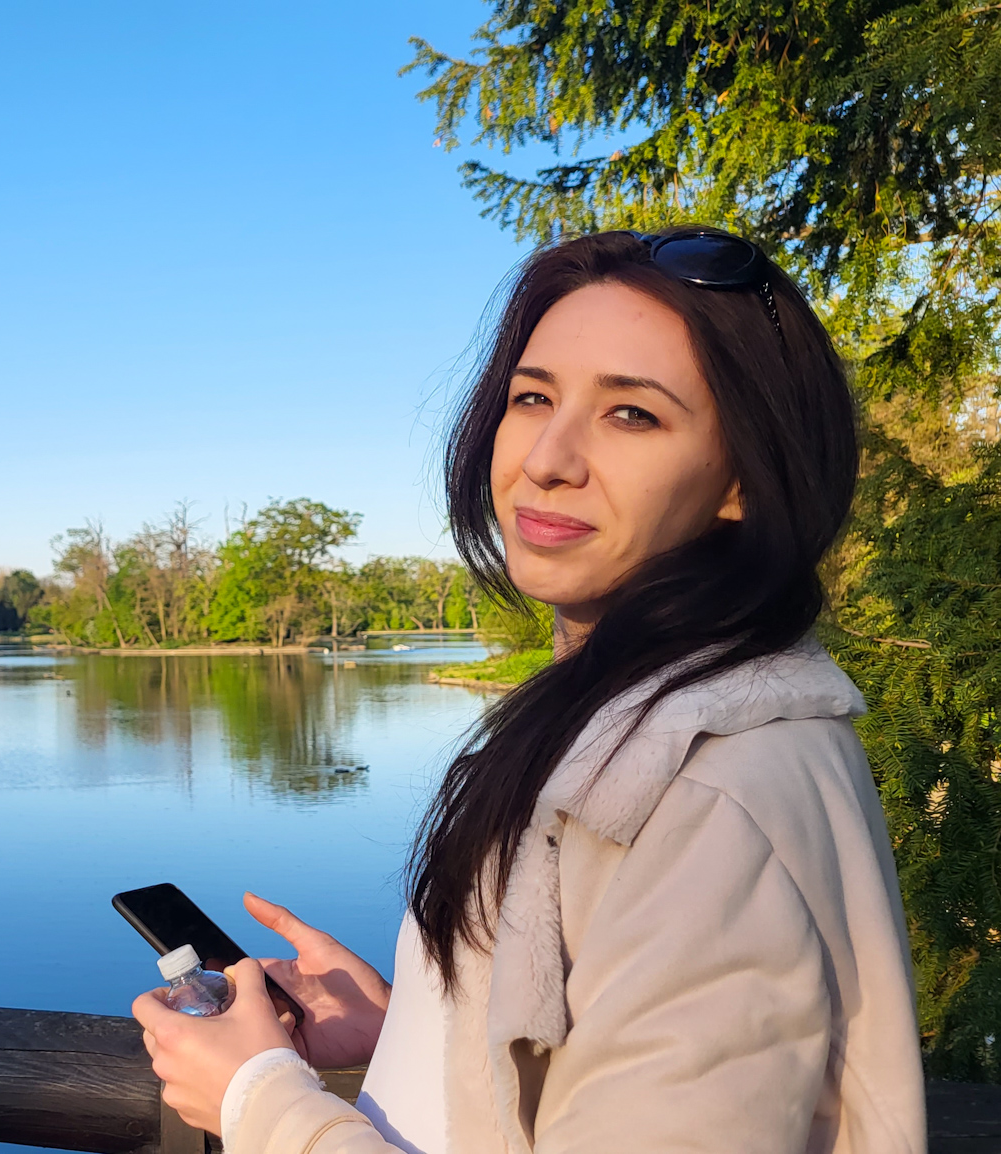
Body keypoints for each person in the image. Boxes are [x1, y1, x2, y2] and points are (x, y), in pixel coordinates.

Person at [132, 227, 926, 1153]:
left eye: (633, 414)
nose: (548, 456)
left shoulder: (713, 790)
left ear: (742, 479)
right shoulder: (611, 718)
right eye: (533, 396)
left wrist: (259, 1098)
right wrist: (421, 1028)